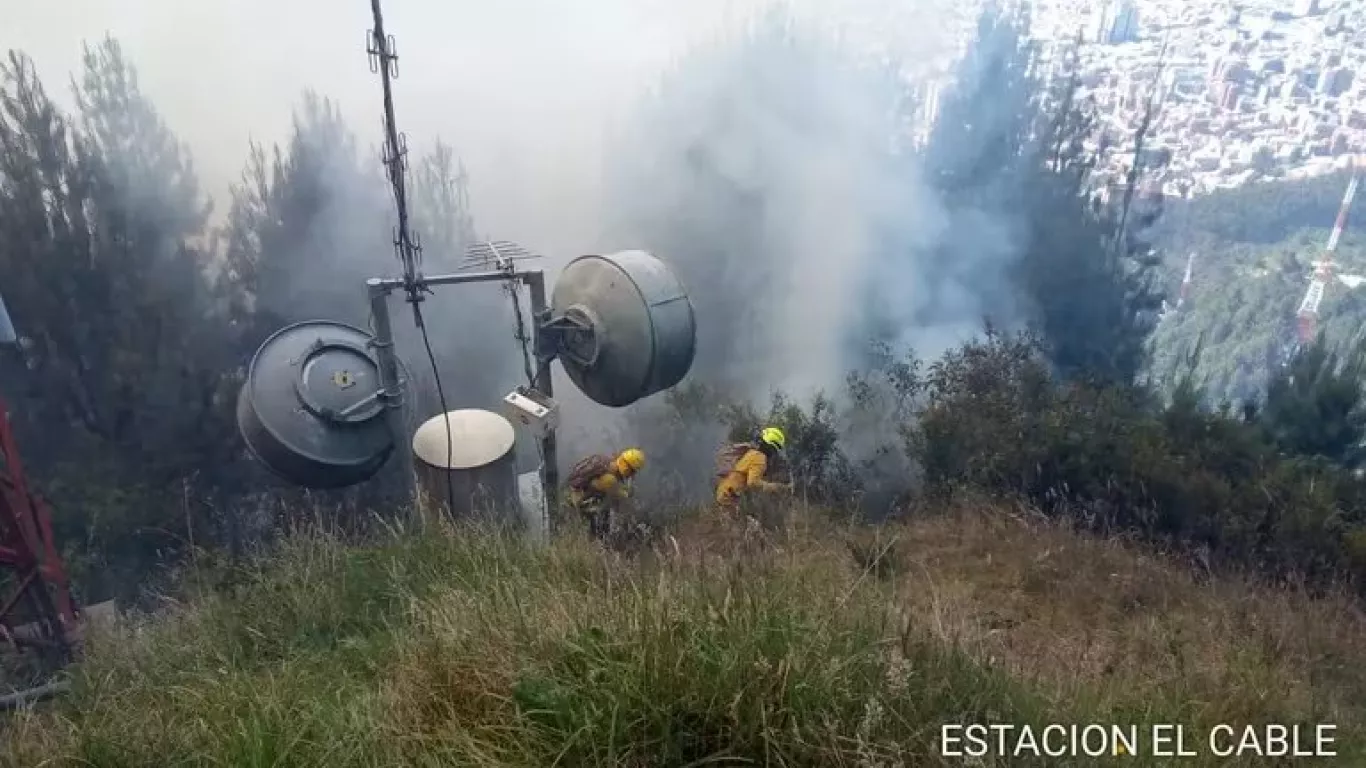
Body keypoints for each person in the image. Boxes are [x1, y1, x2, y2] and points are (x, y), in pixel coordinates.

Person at [564, 448, 646, 539]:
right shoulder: (609, 479)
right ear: (626, 467)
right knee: (598, 516)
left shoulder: (608, 462)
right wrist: (628, 495)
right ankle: (594, 540)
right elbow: (618, 493)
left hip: (577, 493)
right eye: (632, 471)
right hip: (579, 500)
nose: (632, 475)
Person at [714, 426, 792, 510]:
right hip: (730, 498)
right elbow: (753, 483)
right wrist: (776, 487)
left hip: (724, 493)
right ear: (772, 447)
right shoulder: (760, 458)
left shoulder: (752, 453)